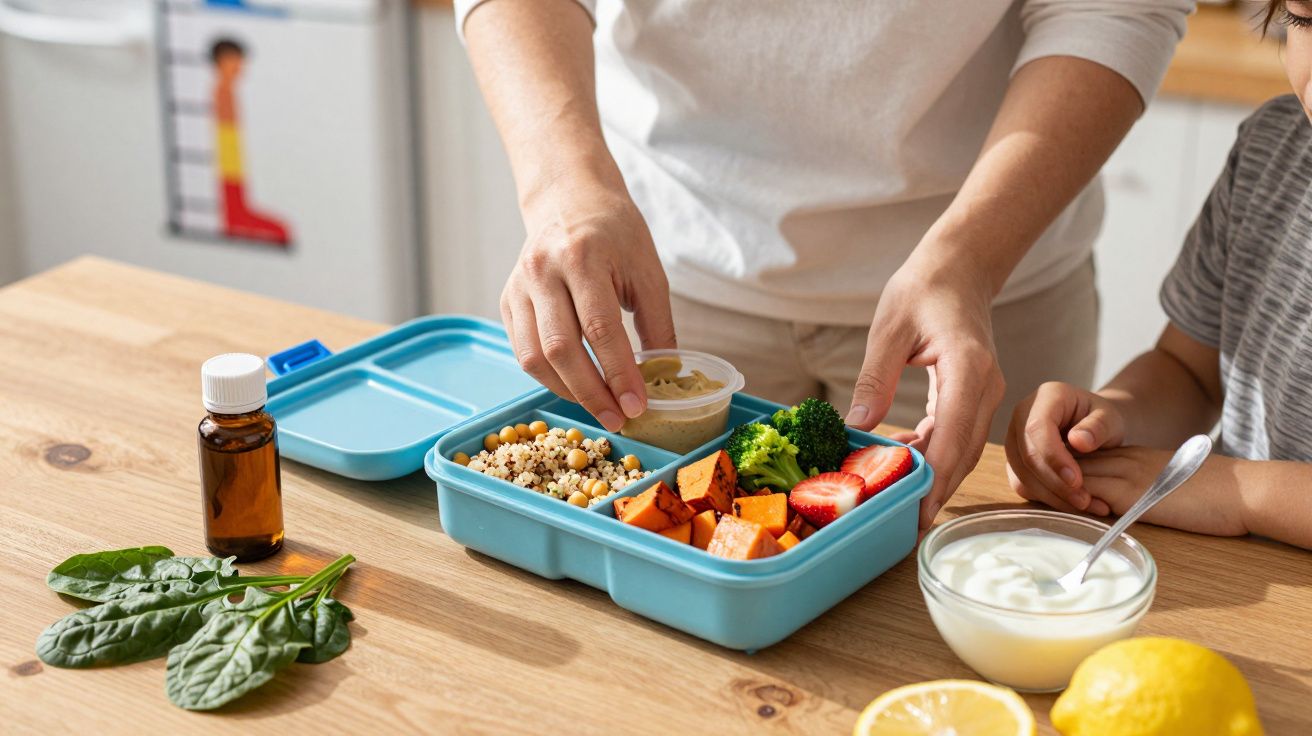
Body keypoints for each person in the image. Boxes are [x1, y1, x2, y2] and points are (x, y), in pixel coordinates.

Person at [453, 0, 1191, 530]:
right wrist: (563, 188)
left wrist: (970, 259)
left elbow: (1116, 9)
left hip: (992, 271)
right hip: (667, 274)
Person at [1005, 0, 1312, 551]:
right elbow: (1187, 372)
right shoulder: (1273, 150)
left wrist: (1236, 491)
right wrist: (1111, 418)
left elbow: (1227, 489)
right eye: (1307, 19)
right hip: (1239, 578)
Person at [211, 38, 291, 246]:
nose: (240, 67)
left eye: (240, 62)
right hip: (230, 163)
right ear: (221, 62)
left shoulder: (228, 92)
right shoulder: (222, 93)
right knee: (280, 230)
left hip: (233, 160)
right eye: (235, 61)